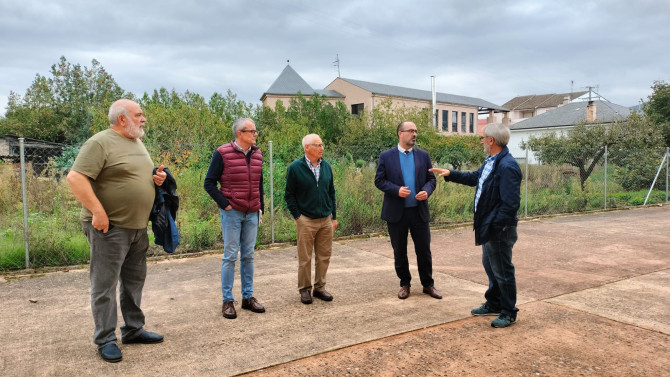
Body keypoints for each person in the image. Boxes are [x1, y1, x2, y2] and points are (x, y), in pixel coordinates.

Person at [67, 99, 167, 363]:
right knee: (105, 285)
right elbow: (75, 178)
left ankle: (133, 330)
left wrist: (156, 179)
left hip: (137, 228)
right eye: (139, 115)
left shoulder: (136, 142)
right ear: (122, 119)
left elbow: (132, 176)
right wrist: (98, 211)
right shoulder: (99, 142)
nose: (144, 119)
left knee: (134, 282)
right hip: (109, 228)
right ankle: (105, 339)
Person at [429, 123, 522, 328]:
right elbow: (475, 178)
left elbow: (511, 204)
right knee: (491, 267)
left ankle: (508, 312)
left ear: (491, 140)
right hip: (488, 227)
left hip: (499, 229)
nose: (481, 141)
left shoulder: (507, 166)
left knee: (503, 271)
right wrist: (450, 174)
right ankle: (494, 302)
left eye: (483, 137)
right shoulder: (491, 161)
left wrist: (496, 225)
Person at [204, 117, 265, 319]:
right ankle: (228, 301)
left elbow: (259, 184)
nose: (256, 135)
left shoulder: (257, 154)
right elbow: (209, 183)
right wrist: (226, 205)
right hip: (232, 212)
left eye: (256, 131)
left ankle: (248, 298)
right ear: (240, 133)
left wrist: (260, 209)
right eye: (252, 131)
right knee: (230, 255)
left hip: (252, 213)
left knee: (248, 255)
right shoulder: (222, 153)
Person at [374, 121, 441, 300]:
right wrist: (396, 190)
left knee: (424, 250)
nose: (414, 134)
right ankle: (405, 284)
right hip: (397, 213)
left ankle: (428, 284)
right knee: (400, 250)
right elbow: (379, 181)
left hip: (418, 212)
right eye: (410, 131)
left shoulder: (423, 155)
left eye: (416, 131)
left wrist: (427, 191)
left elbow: (431, 179)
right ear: (400, 133)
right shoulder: (386, 156)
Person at [285, 134, 338, 304]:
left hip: (326, 219)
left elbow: (331, 192)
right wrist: (298, 217)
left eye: (322, 145)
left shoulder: (326, 166)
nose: (322, 148)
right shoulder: (295, 168)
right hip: (306, 219)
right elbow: (289, 195)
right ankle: (305, 290)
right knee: (305, 257)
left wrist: (334, 217)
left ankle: (320, 288)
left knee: (324, 256)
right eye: (318, 145)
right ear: (307, 147)